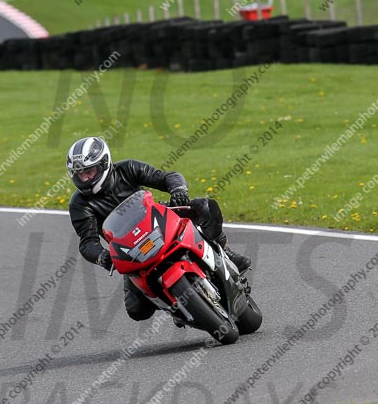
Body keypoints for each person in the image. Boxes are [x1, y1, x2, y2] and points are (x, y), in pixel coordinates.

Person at [67, 136, 251, 321]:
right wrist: (103, 257)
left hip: (160, 222)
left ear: (104, 164)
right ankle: (175, 303)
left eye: (89, 171)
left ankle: (225, 251)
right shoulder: (79, 205)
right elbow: (87, 242)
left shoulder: (127, 168)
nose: (85, 178)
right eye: (79, 173)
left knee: (204, 206)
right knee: (136, 310)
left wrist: (178, 191)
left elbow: (168, 177)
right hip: (129, 250)